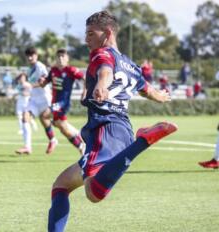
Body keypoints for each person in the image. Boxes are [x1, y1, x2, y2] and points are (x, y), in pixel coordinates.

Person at [47, 11, 178, 232]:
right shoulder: (130, 65)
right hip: (122, 129)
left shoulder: (101, 54)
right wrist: (162, 96)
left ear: (107, 33)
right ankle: (139, 142)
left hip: (104, 128)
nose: (86, 39)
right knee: (61, 185)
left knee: (93, 193)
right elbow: (148, 91)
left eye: (90, 33)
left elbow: (105, 71)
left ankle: (142, 142)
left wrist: (102, 85)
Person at [39, 49, 86, 155]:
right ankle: (80, 144)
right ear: (55, 58)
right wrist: (42, 82)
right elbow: (45, 83)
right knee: (63, 128)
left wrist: (84, 92)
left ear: (67, 59)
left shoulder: (71, 70)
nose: (60, 58)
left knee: (44, 115)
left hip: (63, 103)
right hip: (55, 103)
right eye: (58, 56)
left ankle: (52, 140)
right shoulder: (53, 70)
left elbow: (85, 79)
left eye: (63, 56)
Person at [15, 47, 55, 155]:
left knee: (46, 121)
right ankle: (28, 147)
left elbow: (46, 81)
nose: (29, 57)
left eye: (32, 55)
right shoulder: (29, 69)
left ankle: (53, 140)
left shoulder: (40, 67)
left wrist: (31, 85)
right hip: (34, 100)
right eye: (28, 55)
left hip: (45, 99)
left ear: (36, 55)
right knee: (25, 117)